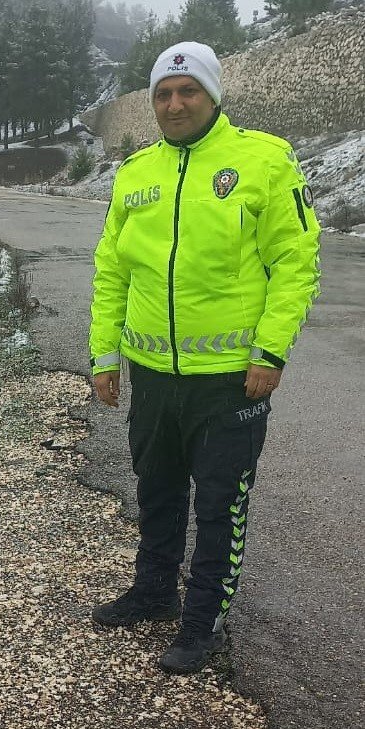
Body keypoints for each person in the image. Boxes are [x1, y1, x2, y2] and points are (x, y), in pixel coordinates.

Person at [88, 41, 321, 675]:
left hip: (230, 383)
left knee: (221, 504)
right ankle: (155, 591)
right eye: (163, 93)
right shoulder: (135, 172)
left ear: (213, 95)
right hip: (154, 378)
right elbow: (112, 270)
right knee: (158, 491)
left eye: (188, 90)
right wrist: (105, 356)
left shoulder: (263, 161)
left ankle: (204, 620)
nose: (174, 103)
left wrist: (270, 352)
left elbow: (294, 267)